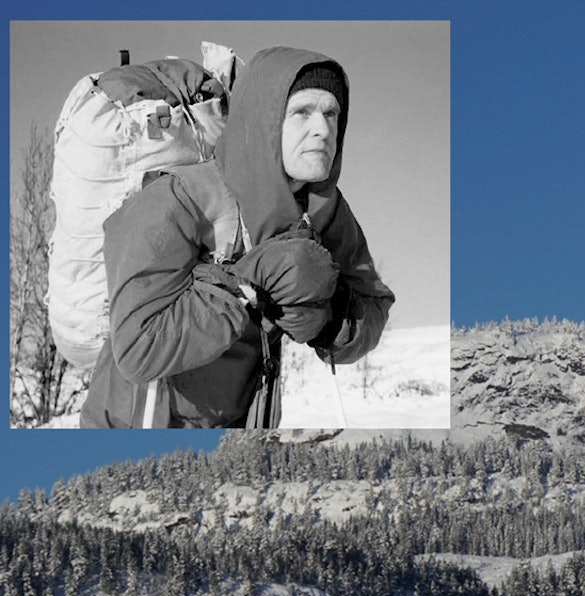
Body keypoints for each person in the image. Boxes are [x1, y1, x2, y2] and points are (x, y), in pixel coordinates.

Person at [80, 46, 394, 428]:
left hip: (244, 427)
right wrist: (244, 285)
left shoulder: (323, 211)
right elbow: (138, 349)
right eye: (302, 112)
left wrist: (328, 320)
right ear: (265, 119)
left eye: (332, 114)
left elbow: (374, 307)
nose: (323, 129)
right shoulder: (176, 200)